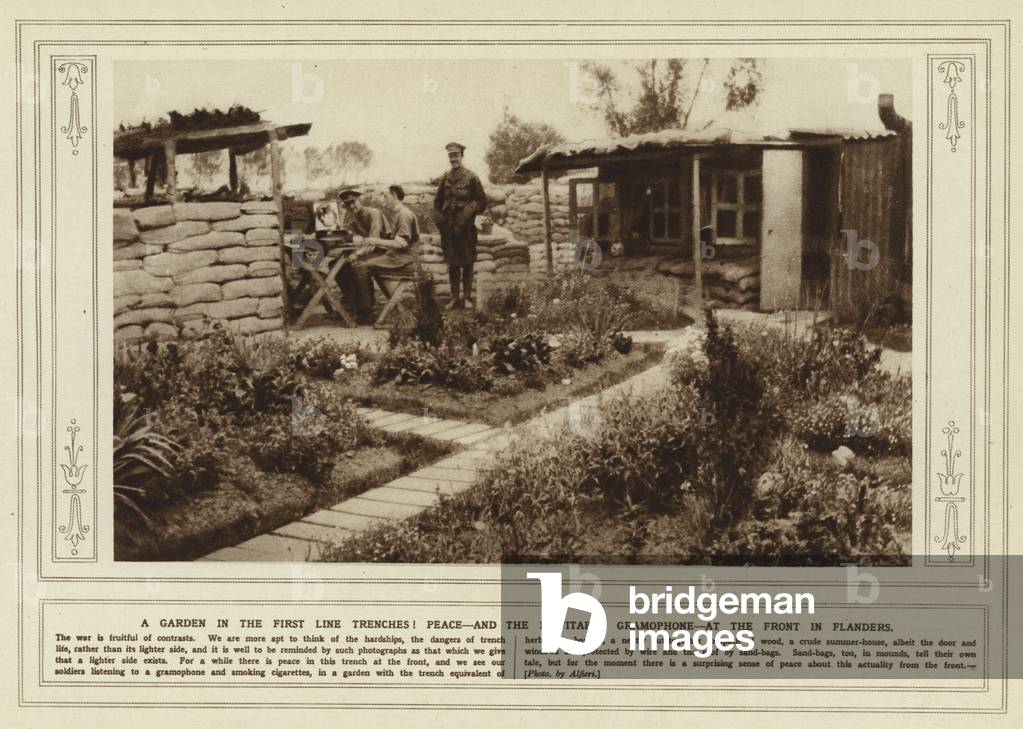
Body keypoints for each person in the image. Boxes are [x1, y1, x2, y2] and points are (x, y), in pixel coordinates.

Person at [337, 187, 418, 323]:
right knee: (338, 266)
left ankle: (367, 311)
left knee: (359, 266)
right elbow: (347, 234)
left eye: (353, 202)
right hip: (391, 254)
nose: (351, 206)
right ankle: (351, 304)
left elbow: (385, 242)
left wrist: (357, 253)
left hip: (392, 255)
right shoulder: (354, 216)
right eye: (347, 204)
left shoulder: (378, 213)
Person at [433, 142, 487, 309]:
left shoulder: (471, 177)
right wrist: (440, 220)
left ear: (462, 156)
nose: (453, 158)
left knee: (468, 261)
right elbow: (437, 202)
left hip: (466, 227)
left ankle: (468, 298)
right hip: (449, 227)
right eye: (451, 156)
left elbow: (482, 201)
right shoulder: (445, 178)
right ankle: (454, 297)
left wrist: (468, 211)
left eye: (456, 155)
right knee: (452, 262)